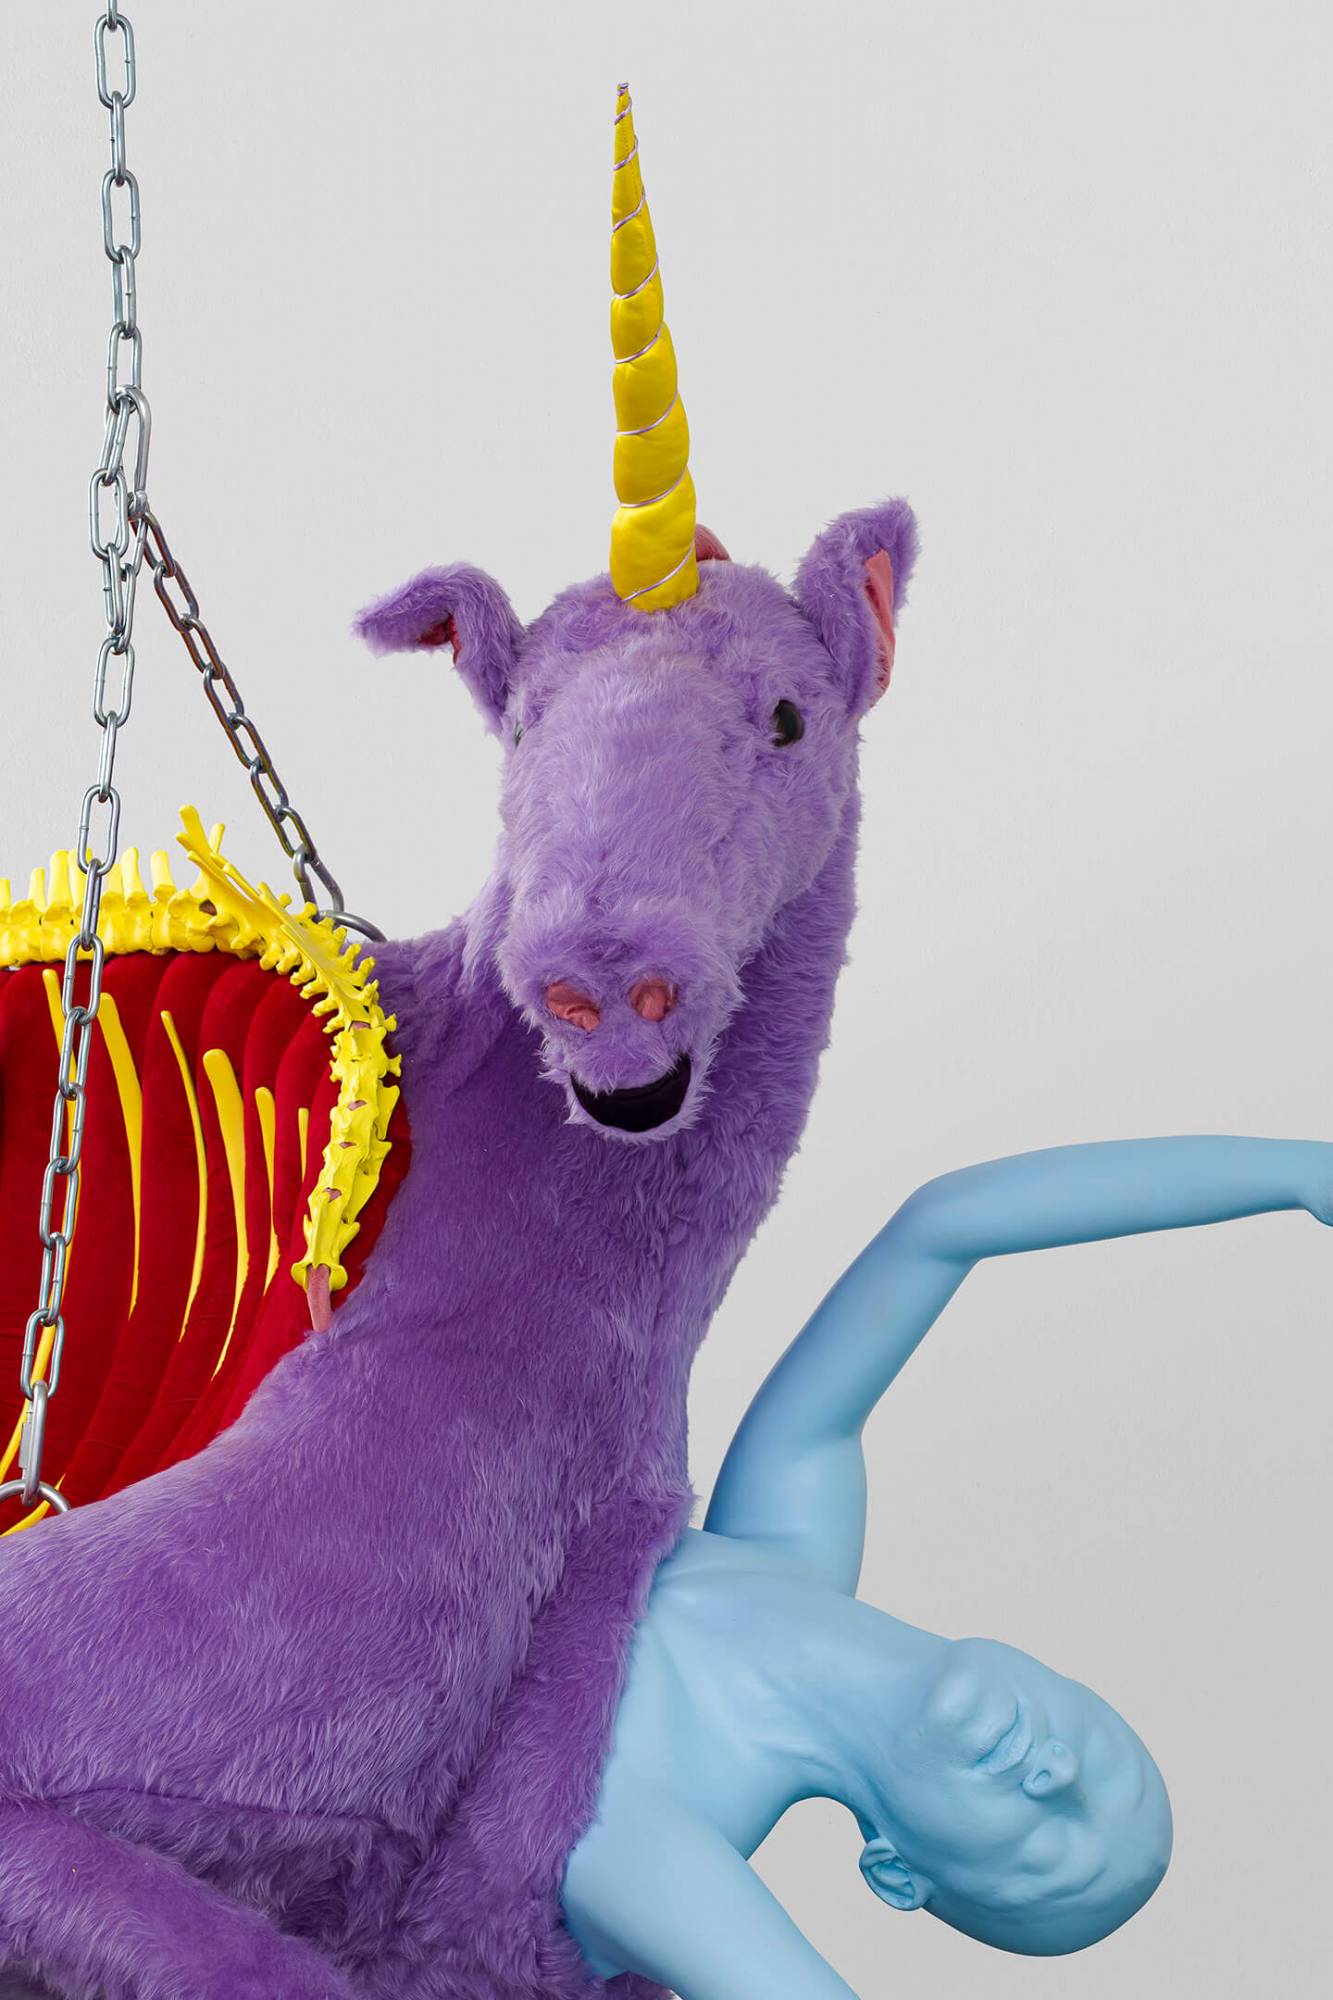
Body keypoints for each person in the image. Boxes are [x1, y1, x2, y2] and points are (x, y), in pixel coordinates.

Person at [562, 1137, 1332, 1996]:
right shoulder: (788, 1543)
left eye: (1043, 1849)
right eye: (1098, 1755)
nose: (1055, 1775)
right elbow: (940, 1228)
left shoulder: (674, 1829)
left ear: (896, 1873)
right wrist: (1303, 1172)